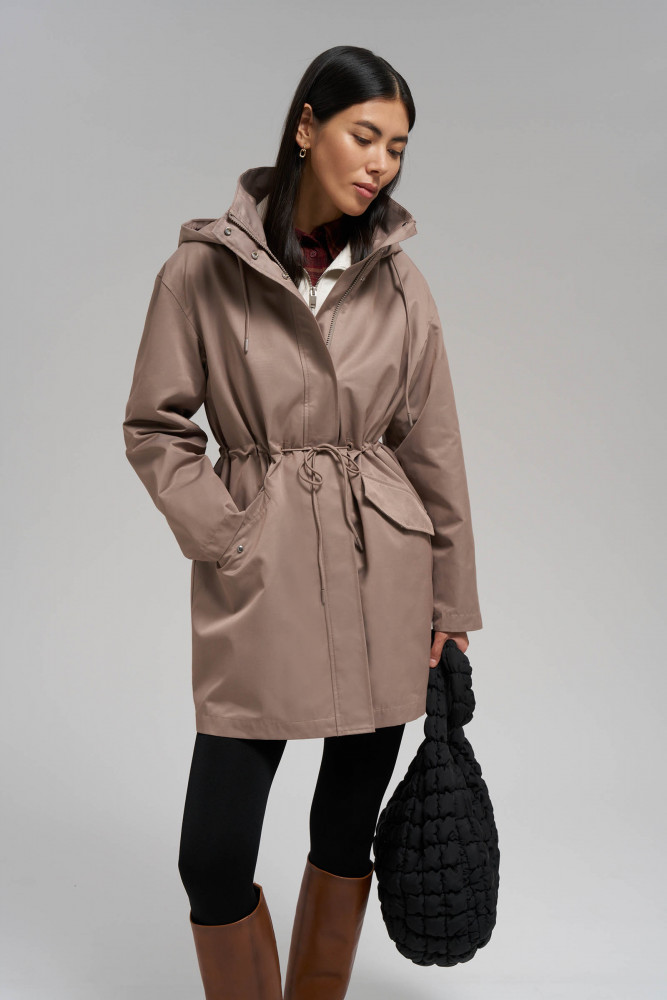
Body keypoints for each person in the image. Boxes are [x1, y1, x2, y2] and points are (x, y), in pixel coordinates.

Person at [122, 44, 483, 1000]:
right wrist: (228, 534)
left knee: (344, 831)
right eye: (365, 136)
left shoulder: (399, 282)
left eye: (397, 147)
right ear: (305, 126)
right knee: (212, 857)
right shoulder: (201, 271)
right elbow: (155, 426)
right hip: (263, 573)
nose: (381, 164)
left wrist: (450, 605)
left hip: (383, 573)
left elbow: (432, 449)